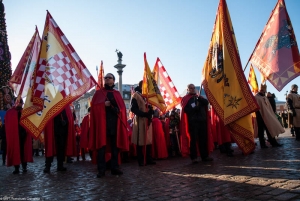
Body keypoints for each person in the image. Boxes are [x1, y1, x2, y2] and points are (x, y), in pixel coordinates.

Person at [89, 73, 128, 178]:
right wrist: (103, 105)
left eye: (109, 77)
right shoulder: (99, 93)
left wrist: (118, 110)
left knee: (115, 147)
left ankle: (114, 168)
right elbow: (93, 108)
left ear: (113, 80)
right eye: (105, 78)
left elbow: (123, 108)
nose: (106, 79)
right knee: (102, 147)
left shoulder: (117, 93)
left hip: (115, 124)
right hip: (103, 124)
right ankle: (101, 170)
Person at [180, 84, 213, 163]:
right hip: (193, 122)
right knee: (193, 140)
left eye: (193, 88)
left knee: (203, 139)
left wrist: (200, 100)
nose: (192, 89)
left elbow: (206, 103)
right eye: (190, 88)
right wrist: (194, 107)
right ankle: (194, 157)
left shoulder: (199, 97)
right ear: (187, 89)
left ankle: (204, 156)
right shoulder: (186, 99)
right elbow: (186, 109)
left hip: (202, 121)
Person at [43, 106, 76, 173]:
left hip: (62, 132)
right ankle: (47, 166)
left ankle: (60, 165)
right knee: (50, 148)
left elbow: (69, 118)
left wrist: (65, 121)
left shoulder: (65, 108)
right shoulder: (51, 106)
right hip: (53, 131)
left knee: (61, 149)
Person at [130, 80, 156, 166]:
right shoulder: (136, 95)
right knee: (140, 140)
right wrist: (144, 114)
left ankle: (148, 158)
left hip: (147, 120)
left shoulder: (147, 96)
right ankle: (140, 160)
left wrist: (150, 112)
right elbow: (133, 108)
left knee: (148, 140)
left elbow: (151, 107)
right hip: (140, 120)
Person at [5, 98, 33, 174]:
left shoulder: (24, 112)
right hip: (14, 136)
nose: (20, 104)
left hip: (24, 135)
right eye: (18, 102)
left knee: (24, 151)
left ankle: (24, 166)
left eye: (21, 103)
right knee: (15, 151)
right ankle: (16, 167)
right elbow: (8, 126)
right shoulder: (10, 113)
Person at [254, 84, 284, 148]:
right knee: (261, 130)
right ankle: (262, 144)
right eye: (263, 90)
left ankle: (273, 142)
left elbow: (269, 107)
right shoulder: (256, 97)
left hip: (267, 116)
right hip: (260, 116)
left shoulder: (265, 97)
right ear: (261, 90)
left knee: (270, 128)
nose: (264, 91)